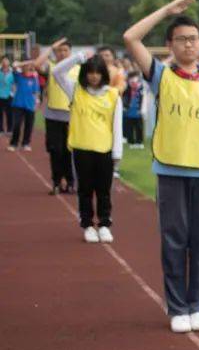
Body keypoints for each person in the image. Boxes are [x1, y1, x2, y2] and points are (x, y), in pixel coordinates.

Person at [123, 0, 199, 335]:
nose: (189, 44)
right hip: (170, 169)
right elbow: (130, 38)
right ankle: (177, 306)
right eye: (182, 39)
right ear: (169, 44)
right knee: (174, 240)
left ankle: (198, 304)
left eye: (194, 39)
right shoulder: (160, 76)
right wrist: (166, 12)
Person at [52, 49, 124, 243]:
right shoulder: (75, 90)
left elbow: (117, 126)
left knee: (103, 190)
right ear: (85, 73)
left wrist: (117, 153)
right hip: (81, 148)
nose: (94, 76)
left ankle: (104, 224)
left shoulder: (113, 95)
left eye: (98, 72)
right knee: (85, 189)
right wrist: (79, 57)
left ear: (103, 74)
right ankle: (87, 225)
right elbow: (57, 72)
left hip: (104, 149)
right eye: (90, 72)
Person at [27, 38, 78, 194]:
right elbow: (36, 65)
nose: (62, 53)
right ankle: (56, 182)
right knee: (55, 150)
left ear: (71, 52)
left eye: (65, 50)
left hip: (72, 116)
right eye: (59, 50)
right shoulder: (51, 67)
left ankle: (70, 182)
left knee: (70, 151)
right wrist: (50, 48)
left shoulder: (79, 69)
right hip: (53, 116)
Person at [8, 61, 40, 151]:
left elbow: (36, 92)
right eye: (26, 66)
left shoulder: (34, 78)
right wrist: (27, 62)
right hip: (18, 104)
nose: (28, 67)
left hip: (30, 105)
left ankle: (25, 143)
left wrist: (36, 104)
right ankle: (14, 143)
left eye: (30, 66)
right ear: (23, 67)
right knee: (16, 125)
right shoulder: (18, 76)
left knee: (28, 125)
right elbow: (14, 65)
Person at [122, 69, 146, 148]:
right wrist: (125, 106)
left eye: (135, 80)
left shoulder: (141, 90)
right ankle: (131, 141)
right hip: (129, 112)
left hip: (138, 113)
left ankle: (139, 142)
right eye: (131, 80)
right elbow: (124, 99)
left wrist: (142, 110)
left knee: (139, 127)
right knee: (130, 128)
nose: (134, 82)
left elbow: (143, 100)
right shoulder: (127, 90)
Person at [0, 55, 14, 135]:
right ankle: (1, 130)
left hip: (9, 95)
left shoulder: (13, 72)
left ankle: (9, 130)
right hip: (0, 95)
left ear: (9, 62)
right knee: (0, 114)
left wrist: (13, 93)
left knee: (10, 114)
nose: (5, 62)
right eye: (3, 60)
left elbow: (15, 83)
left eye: (6, 60)